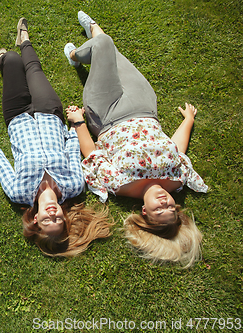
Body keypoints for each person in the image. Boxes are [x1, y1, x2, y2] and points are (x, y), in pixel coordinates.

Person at [64, 11, 208, 267]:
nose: (165, 204)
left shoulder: (120, 185)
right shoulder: (177, 179)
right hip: (145, 106)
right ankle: (94, 35)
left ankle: (76, 56)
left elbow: (92, 154)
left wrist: (77, 122)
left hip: (107, 113)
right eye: (172, 210)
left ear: (144, 212)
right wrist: (188, 121)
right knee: (112, 54)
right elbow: (176, 148)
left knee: (105, 46)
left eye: (159, 211)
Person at [0, 18, 112, 258]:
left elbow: (1, 162)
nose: (52, 214)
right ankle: (24, 39)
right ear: (65, 217)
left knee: (11, 61)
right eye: (58, 220)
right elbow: (72, 150)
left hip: (17, 117)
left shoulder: (19, 193)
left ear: (36, 218)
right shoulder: (74, 187)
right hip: (49, 114)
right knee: (34, 70)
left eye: (47, 221)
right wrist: (75, 123)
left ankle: (6, 61)